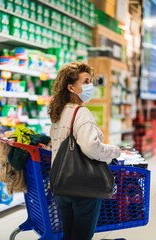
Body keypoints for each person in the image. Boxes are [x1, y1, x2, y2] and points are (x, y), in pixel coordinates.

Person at [49, 61, 121, 240]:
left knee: (68, 234)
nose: (90, 86)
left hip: (61, 185)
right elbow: (91, 148)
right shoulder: (81, 113)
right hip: (83, 187)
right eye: (86, 81)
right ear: (71, 88)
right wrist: (115, 151)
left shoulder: (59, 112)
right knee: (82, 236)